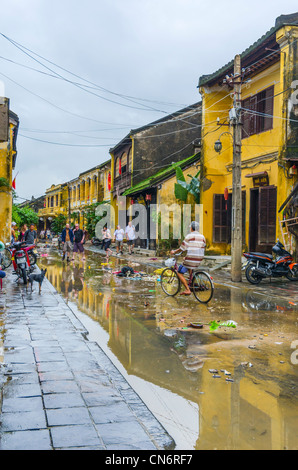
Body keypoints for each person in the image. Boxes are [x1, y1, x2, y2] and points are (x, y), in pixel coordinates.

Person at [171, 221, 206, 296]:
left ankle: (187, 289)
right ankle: (191, 279)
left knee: (179, 273)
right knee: (187, 261)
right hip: (200, 258)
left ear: (191, 228)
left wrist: (174, 251)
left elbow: (182, 248)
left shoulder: (189, 236)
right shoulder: (202, 237)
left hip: (191, 258)